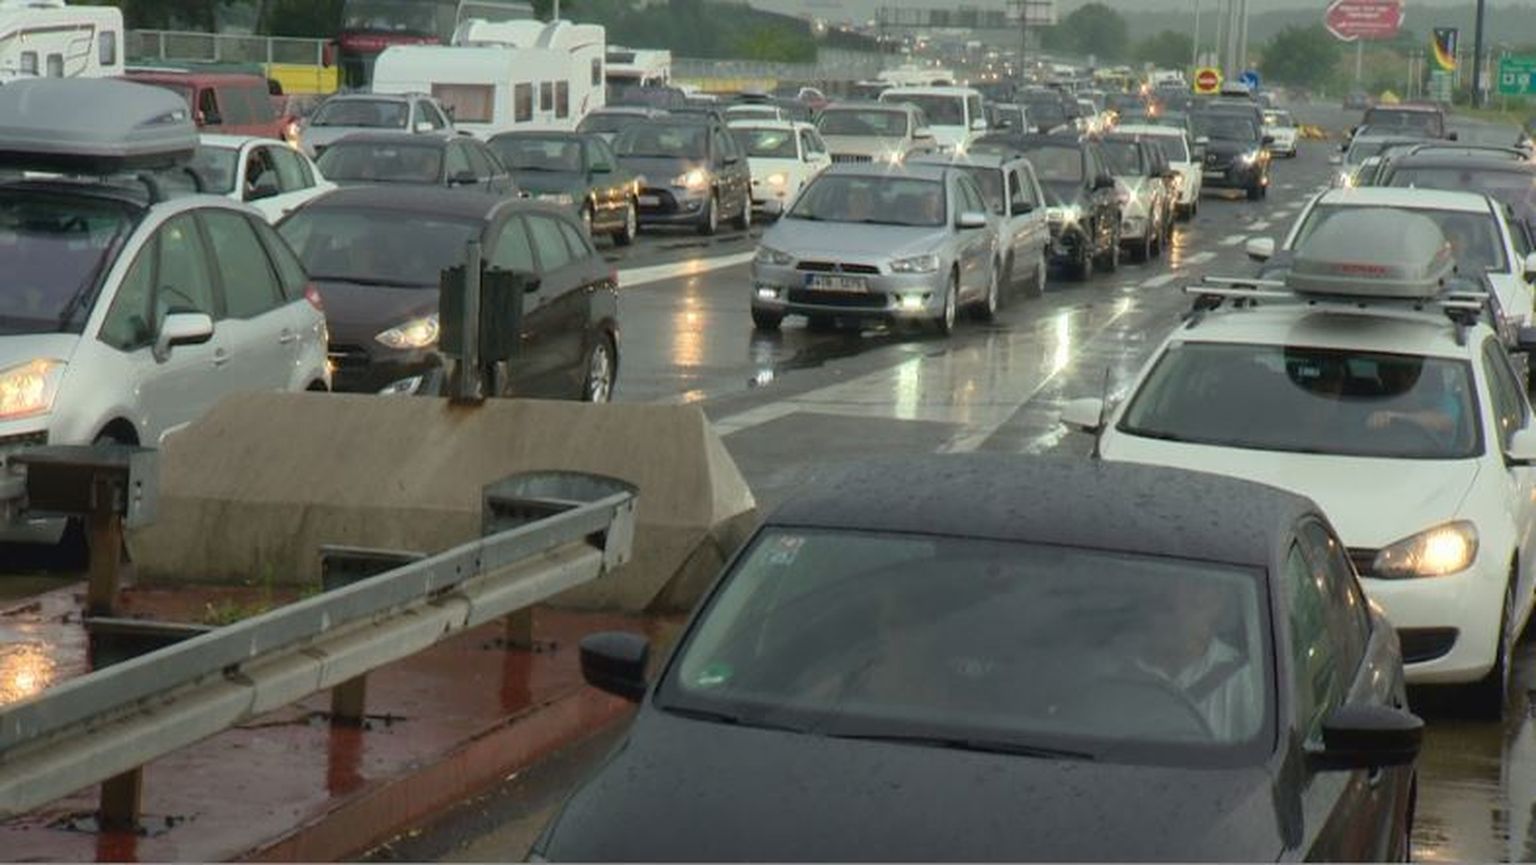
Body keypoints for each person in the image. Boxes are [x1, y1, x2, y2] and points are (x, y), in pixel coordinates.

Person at [1124, 578, 1260, 742]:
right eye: (1166, 607)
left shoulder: (1246, 680)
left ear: (1218, 605)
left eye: (1197, 587)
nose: (1178, 596)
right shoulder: (1109, 670)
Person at [1366, 361, 1462, 444]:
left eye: (1407, 373)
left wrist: (1395, 416)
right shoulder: (1372, 402)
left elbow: (1444, 422)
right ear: (1381, 377)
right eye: (1391, 375)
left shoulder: (1444, 399)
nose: (1400, 379)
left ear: (1417, 375)